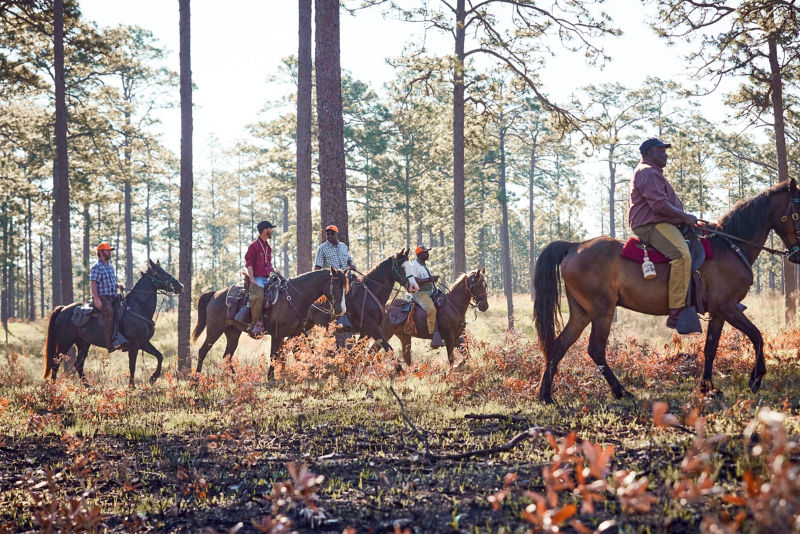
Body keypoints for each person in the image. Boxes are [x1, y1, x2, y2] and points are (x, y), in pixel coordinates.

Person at [628, 137, 703, 330]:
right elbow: (659, 205)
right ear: (649, 153)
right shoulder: (647, 172)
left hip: (662, 222)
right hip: (652, 224)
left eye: (665, 151)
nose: (665, 154)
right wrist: (685, 217)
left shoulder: (652, 172)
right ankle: (677, 310)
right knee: (681, 255)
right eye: (661, 150)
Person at [89, 242, 126, 350]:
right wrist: (96, 299)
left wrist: (117, 285)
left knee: (125, 309)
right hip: (103, 298)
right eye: (107, 251)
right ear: (100, 252)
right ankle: (109, 343)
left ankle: (122, 337)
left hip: (112, 296)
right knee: (109, 313)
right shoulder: (96, 267)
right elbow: (93, 283)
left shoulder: (110, 267)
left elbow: (109, 282)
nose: (109, 253)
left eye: (110, 251)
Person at [244, 220, 277, 335]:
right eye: (270, 229)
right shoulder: (253, 246)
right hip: (257, 277)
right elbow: (249, 263)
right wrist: (252, 280)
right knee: (259, 295)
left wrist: (274, 270)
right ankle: (254, 325)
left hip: (267, 278)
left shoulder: (268, 247)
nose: (271, 231)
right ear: (264, 230)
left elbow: (267, 264)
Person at [410, 245, 444, 348]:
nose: (428, 254)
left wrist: (432, 279)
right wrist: (430, 279)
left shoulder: (424, 266)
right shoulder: (414, 265)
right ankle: (433, 334)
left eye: (428, 252)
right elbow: (414, 281)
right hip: (419, 293)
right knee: (431, 309)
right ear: (420, 254)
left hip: (430, 291)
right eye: (426, 252)